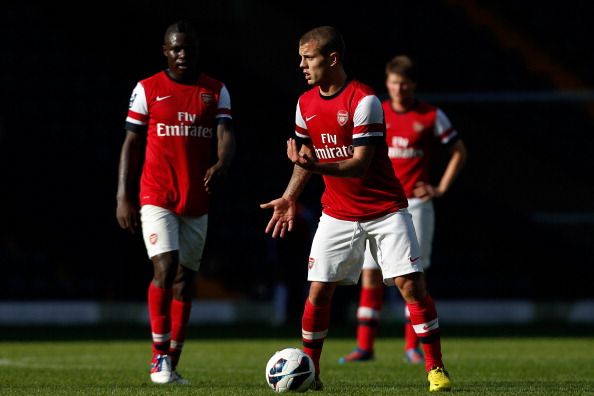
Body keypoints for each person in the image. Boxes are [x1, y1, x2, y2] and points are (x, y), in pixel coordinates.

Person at [260, 27, 452, 392]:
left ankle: (435, 369)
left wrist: (314, 166)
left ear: (332, 59)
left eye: (309, 57)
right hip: (336, 212)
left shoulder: (365, 101)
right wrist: (289, 197)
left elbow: (360, 164)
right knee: (318, 292)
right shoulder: (305, 103)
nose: (301, 64)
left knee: (410, 285)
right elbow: (305, 158)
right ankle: (311, 373)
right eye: (300, 57)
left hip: (385, 210)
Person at [115, 20, 235, 385]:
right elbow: (131, 143)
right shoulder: (147, 89)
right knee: (165, 268)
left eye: (189, 48)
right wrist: (123, 194)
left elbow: (226, 133)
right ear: (165, 51)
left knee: (185, 283)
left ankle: (172, 362)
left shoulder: (215, 91)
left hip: (196, 197)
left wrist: (222, 162)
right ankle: (158, 358)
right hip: (157, 196)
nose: (183, 54)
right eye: (176, 48)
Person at [338, 55, 467, 365]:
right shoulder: (376, 111)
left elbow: (459, 151)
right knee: (370, 276)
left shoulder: (430, 115)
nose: (399, 89)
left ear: (413, 85)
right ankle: (364, 347)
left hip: (416, 205)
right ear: (387, 83)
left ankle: (413, 348)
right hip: (378, 204)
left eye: (404, 83)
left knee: (412, 277)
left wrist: (441, 187)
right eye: (394, 83)